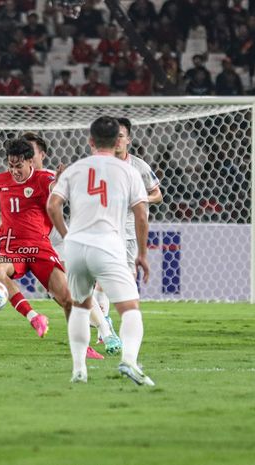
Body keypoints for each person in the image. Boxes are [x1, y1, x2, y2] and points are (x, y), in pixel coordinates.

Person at [0, 137, 122, 356]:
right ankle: (34, 318)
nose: (14, 171)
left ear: (30, 162)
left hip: (40, 247)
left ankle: (83, 346)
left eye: (19, 166)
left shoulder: (44, 179)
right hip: (11, 247)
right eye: (10, 166)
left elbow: (57, 192)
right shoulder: (0, 180)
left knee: (68, 300)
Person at [47, 116, 154, 386]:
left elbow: (52, 205)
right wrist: (142, 253)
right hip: (107, 245)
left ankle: (79, 370)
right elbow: (141, 214)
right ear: (116, 140)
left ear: (91, 141)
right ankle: (129, 361)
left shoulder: (75, 169)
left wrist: (67, 235)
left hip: (76, 246)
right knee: (130, 309)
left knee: (81, 307)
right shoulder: (129, 170)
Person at [92, 117, 163, 340]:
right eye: (115, 137)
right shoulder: (100, 165)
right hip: (106, 230)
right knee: (103, 280)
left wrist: (139, 200)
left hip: (131, 233)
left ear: (128, 140)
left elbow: (158, 195)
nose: (118, 141)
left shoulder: (139, 167)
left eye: (121, 136)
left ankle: (109, 325)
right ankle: (104, 330)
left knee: (127, 281)